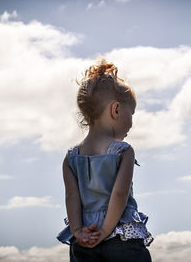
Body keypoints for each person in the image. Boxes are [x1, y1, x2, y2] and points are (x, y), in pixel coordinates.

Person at [56, 58, 153, 262]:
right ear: (116, 109)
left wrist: (78, 231)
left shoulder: (71, 157)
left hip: (84, 238)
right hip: (120, 236)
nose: (132, 122)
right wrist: (105, 231)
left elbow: (71, 196)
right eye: (131, 113)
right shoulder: (123, 151)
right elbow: (119, 194)